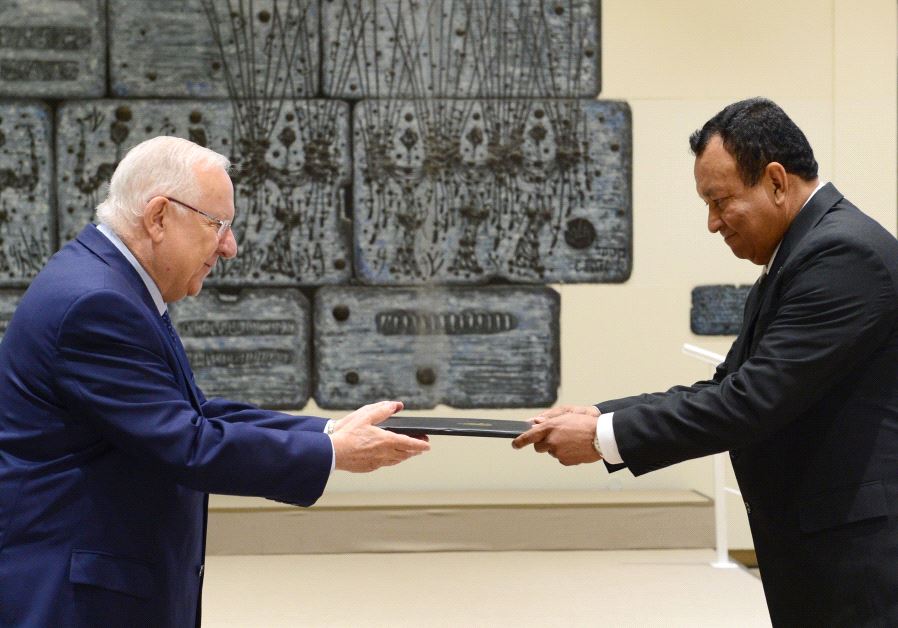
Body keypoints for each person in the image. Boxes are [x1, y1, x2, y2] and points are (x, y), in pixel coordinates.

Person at [0, 136, 430, 627]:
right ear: (160, 216)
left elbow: (193, 413)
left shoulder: (106, 282)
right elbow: (187, 444)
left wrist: (329, 431)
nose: (230, 246)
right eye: (218, 225)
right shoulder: (97, 303)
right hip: (73, 603)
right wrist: (334, 455)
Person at [513, 98, 898, 626]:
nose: (713, 224)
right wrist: (598, 416)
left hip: (859, 555)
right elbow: (727, 385)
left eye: (720, 202)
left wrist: (606, 436)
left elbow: (751, 402)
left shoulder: (842, 256)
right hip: (825, 543)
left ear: (777, 181)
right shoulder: (804, 252)